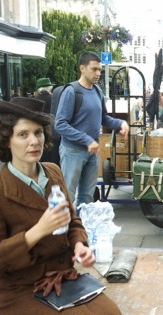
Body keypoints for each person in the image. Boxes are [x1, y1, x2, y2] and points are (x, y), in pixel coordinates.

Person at [0, 97, 127, 315]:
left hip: (64, 279)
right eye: (23, 134)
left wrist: (79, 246)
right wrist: (37, 231)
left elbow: (73, 221)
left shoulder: (53, 172)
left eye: (38, 132)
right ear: (7, 141)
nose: (34, 141)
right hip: (21, 290)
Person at [55, 51, 129, 211]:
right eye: (94, 69)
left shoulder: (97, 92)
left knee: (87, 197)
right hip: (72, 151)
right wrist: (86, 140)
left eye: (100, 70)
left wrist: (120, 123)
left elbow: (103, 118)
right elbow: (60, 124)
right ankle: (63, 233)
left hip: (92, 153)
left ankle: (82, 231)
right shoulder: (71, 91)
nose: (98, 73)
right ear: (82, 68)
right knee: (68, 195)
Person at [34, 78, 59, 164]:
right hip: (53, 130)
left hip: (39, 131)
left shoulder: (34, 99)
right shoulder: (53, 99)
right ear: (49, 88)